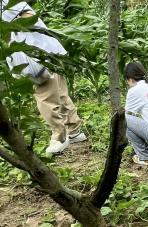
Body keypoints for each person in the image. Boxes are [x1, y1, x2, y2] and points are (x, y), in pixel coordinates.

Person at [3, 0, 87, 154]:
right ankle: (74, 131)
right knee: (60, 92)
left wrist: (8, 31)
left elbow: (28, 15)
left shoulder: (6, 2)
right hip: (48, 50)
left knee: (45, 95)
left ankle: (59, 136)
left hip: (36, 55)